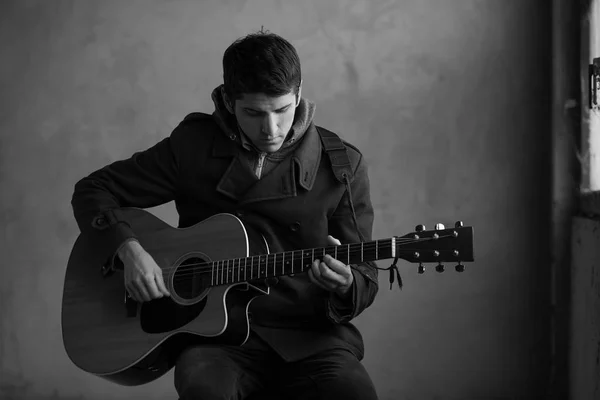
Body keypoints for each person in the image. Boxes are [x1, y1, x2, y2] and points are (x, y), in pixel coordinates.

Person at [71, 29, 380, 400]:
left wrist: (346, 284)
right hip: (214, 339)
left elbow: (365, 276)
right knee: (204, 389)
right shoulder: (193, 146)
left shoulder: (342, 165)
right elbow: (94, 190)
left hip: (311, 338)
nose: (271, 129)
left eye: (282, 110)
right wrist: (129, 249)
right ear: (230, 102)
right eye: (254, 113)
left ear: (299, 94)